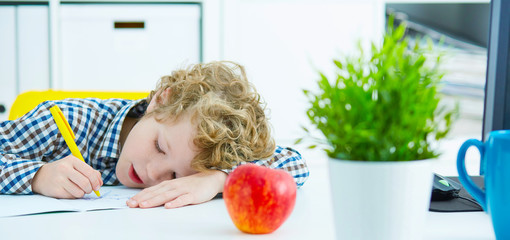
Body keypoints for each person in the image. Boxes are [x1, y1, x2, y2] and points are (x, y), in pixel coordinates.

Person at [0, 61, 309, 209]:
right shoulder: (68, 121)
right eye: (160, 147)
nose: (154, 173)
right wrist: (38, 176)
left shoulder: (207, 165)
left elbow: (295, 164)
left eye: (176, 175)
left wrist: (219, 179)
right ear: (160, 100)